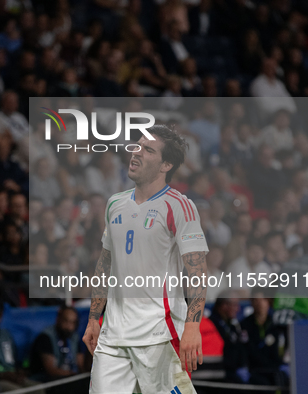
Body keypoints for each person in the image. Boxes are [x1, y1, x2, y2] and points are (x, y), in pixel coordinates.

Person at [83, 125, 209, 394]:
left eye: (148, 149)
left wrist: (192, 327)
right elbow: (105, 265)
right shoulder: (114, 203)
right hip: (113, 339)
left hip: (159, 337)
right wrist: (95, 318)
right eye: (137, 145)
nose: (136, 153)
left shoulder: (179, 206)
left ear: (166, 164)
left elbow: (197, 272)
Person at [30, 306, 88, 393]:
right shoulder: (46, 337)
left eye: (72, 323)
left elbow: (81, 365)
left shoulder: (74, 337)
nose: (69, 327)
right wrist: (73, 375)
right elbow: (51, 370)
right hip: (49, 381)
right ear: (58, 319)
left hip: (71, 379)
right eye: (66, 321)